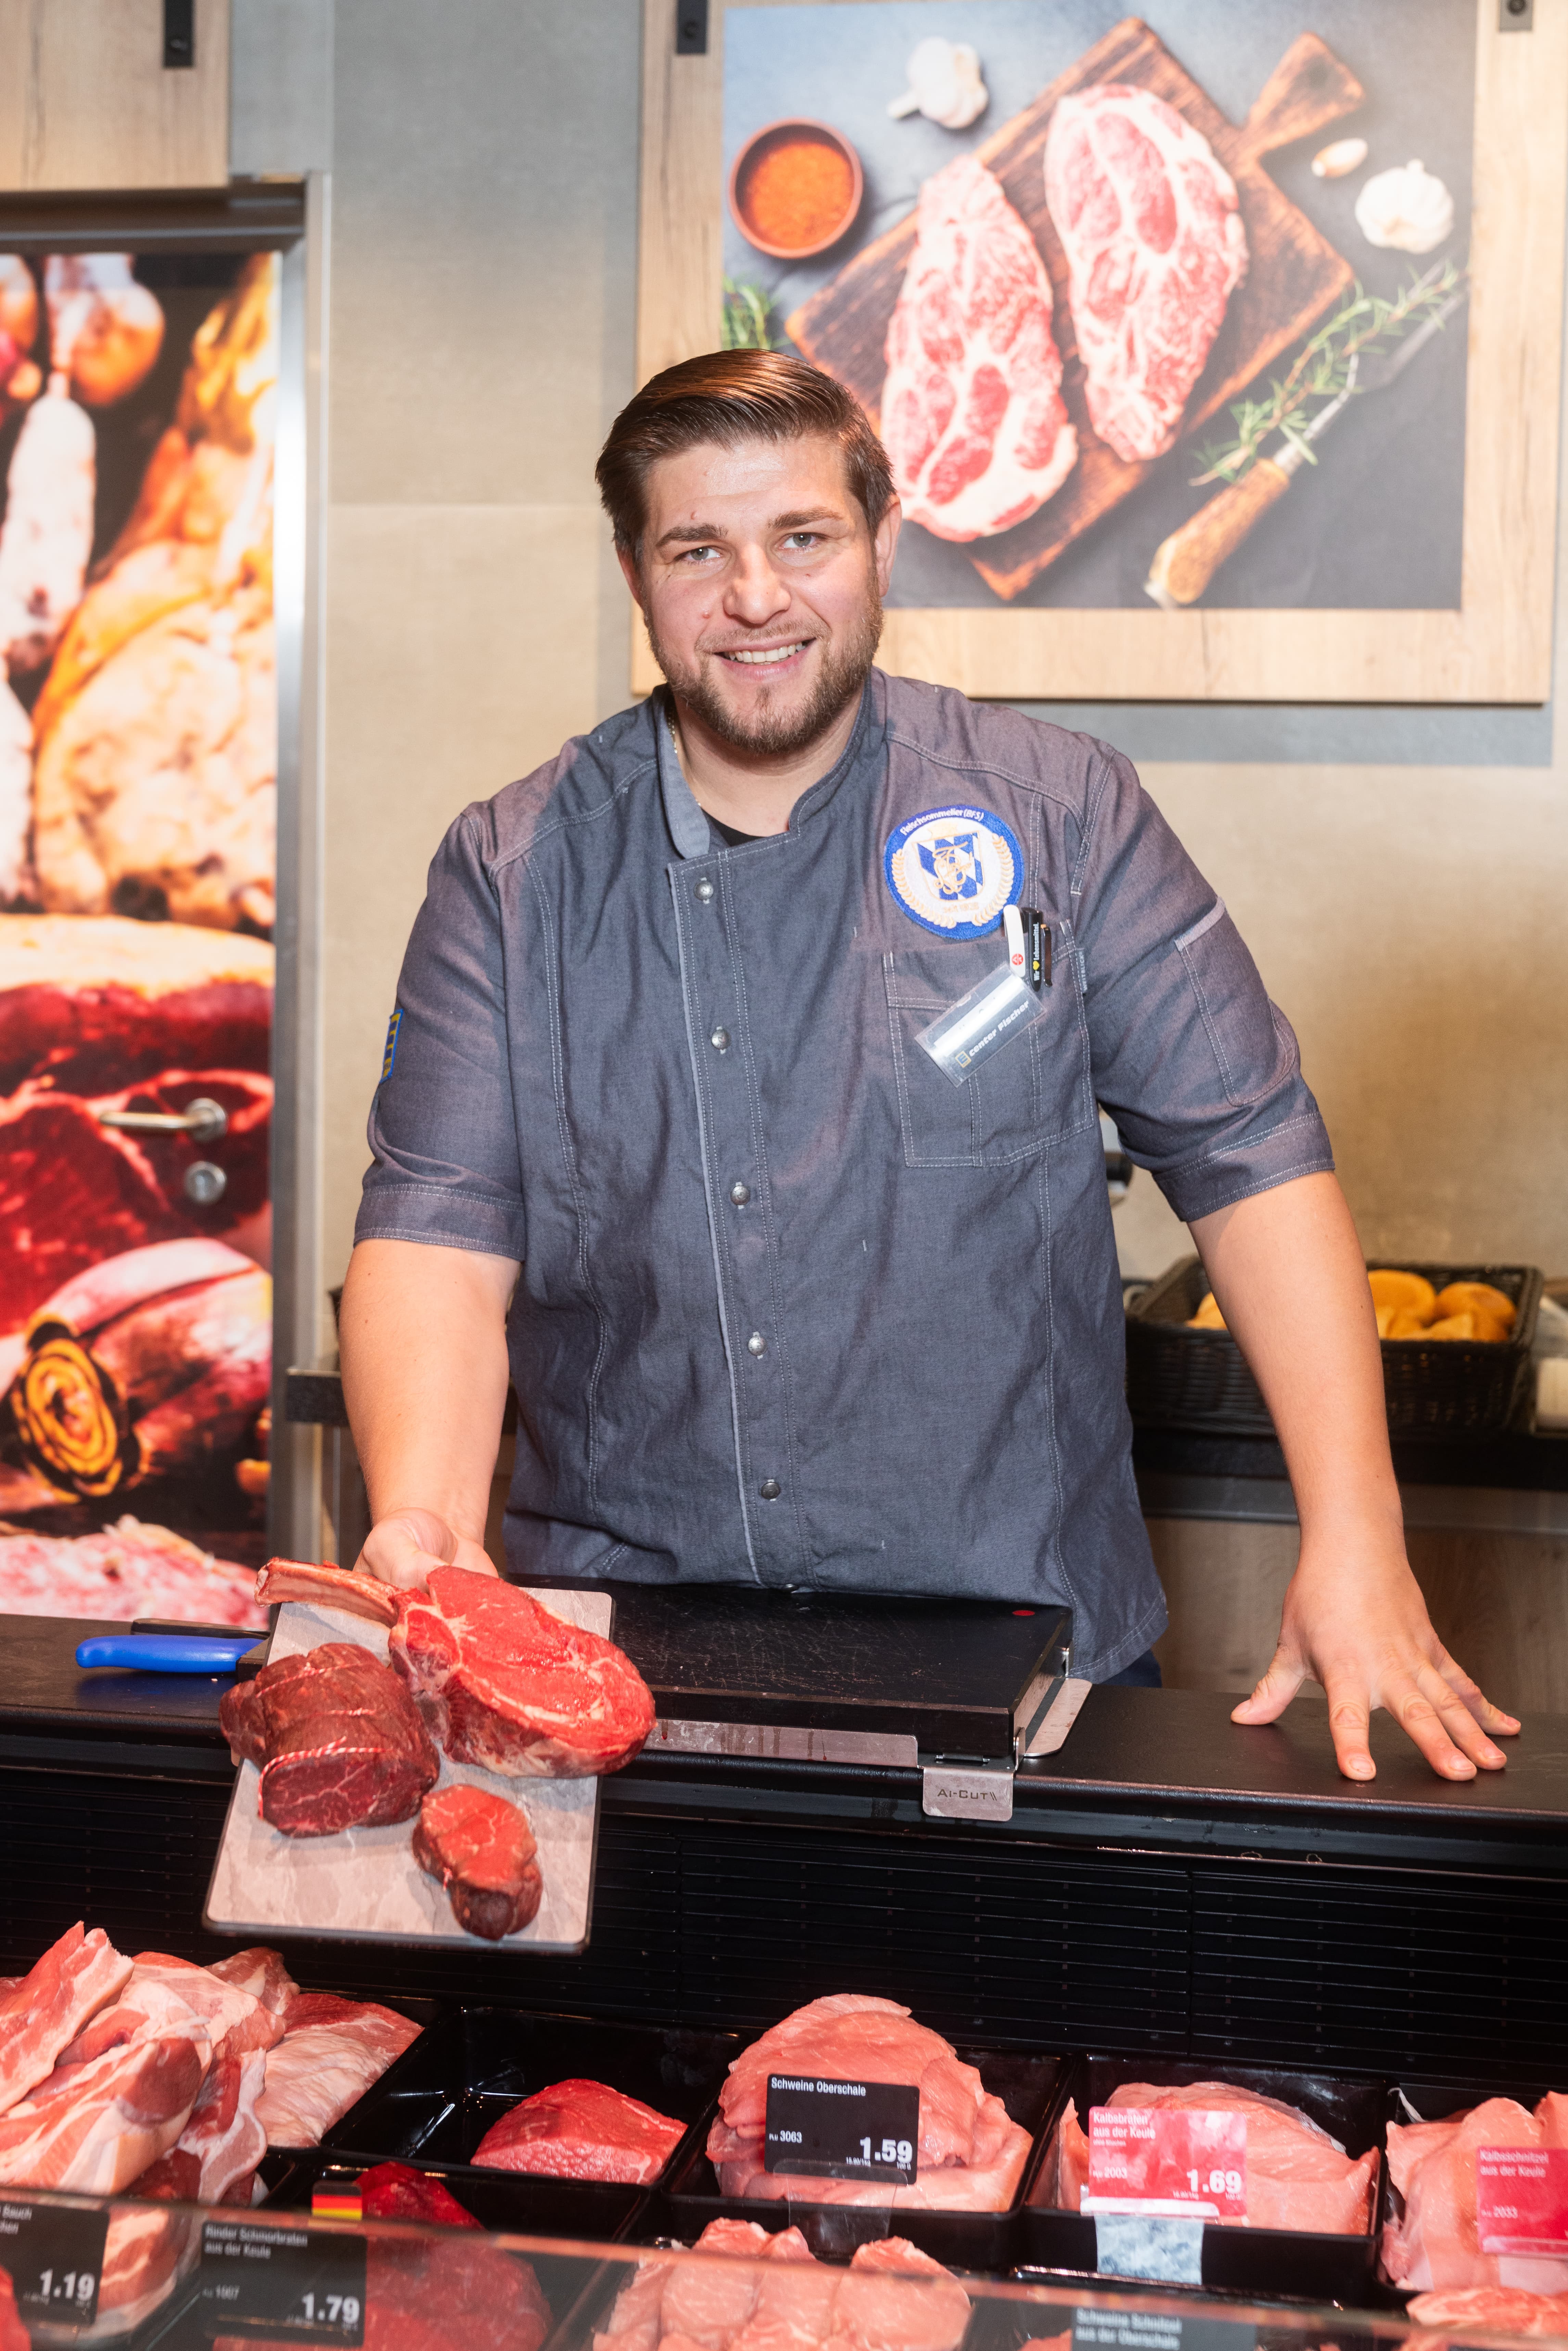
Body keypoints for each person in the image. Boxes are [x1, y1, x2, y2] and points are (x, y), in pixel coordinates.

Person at [340, 350, 1518, 1786]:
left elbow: (1253, 1154)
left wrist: (1358, 1530)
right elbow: (441, 1229)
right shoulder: (513, 871)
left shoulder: (1063, 814)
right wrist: (428, 1523)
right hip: (611, 1662)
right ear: (636, 575)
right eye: (697, 550)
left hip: (1028, 1645)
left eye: (804, 540)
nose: (755, 597)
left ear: (883, 544)